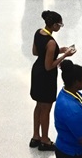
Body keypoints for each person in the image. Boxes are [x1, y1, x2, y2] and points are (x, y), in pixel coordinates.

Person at [30, 10, 75, 150]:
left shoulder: (39, 32)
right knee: (46, 109)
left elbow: (36, 52)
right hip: (46, 77)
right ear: (54, 25)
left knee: (38, 106)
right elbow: (49, 66)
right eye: (59, 25)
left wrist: (59, 50)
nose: (60, 27)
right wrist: (64, 56)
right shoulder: (51, 42)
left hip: (36, 72)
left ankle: (35, 136)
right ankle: (45, 140)